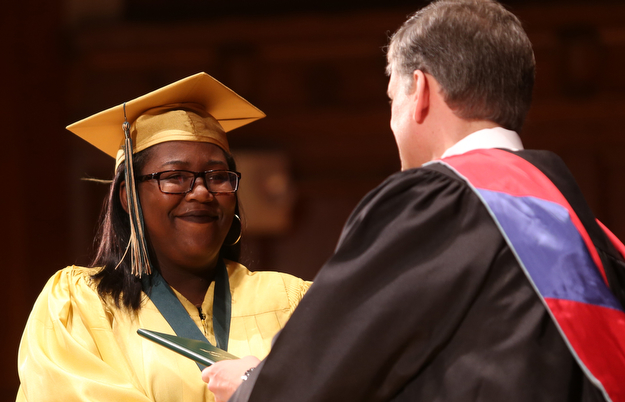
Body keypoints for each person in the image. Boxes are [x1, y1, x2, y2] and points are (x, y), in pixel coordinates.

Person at [203, 1, 625, 401]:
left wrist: (249, 383)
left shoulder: (440, 203)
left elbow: (328, 365)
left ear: (419, 90)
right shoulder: (586, 231)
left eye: (393, 99)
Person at [16, 72, 311, 402]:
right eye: (175, 177)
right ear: (129, 197)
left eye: (217, 176)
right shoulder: (80, 307)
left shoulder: (293, 303)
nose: (201, 192)